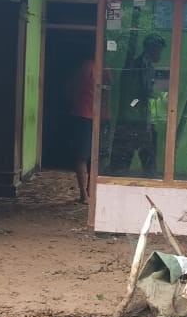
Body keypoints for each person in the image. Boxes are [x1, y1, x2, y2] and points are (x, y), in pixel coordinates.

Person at [108, 33, 165, 176]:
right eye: (158, 49)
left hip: (140, 118)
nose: (160, 53)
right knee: (124, 163)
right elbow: (137, 94)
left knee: (144, 160)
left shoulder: (148, 66)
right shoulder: (139, 66)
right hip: (134, 120)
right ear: (151, 48)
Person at [69, 57, 96, 203]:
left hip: (84, 115)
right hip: (93, 115)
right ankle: (87, 193)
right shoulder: (102, 67)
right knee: (91, 157)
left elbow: (74, 88)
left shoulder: (89, 66)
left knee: (82, 156)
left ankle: (85, 195)